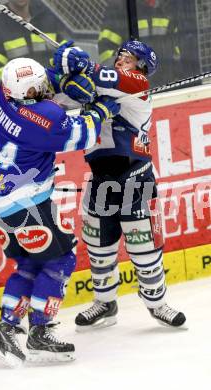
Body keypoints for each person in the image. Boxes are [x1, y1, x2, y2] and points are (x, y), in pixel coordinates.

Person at [0, 56, 120, 367]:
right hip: (25, 202)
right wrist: (102, 109)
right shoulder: (41, 117)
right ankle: (40, 332)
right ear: (30, 94)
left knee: (30, 263)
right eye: (40, 86)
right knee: (61, 258)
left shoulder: (6, 95)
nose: (45, 88)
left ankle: (5, 328)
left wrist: (64, 74)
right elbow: (81, 134)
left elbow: (43, 90)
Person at [53, 39, 186, 331]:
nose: (120, 59)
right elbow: (59, 99)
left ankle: (157, 303)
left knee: (145, 250)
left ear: (141, 67)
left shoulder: (136, 86)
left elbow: (104, 77)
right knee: (99, 249)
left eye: (128, 57)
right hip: (100, 182)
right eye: (120, 55)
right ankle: (105, 303)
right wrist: (61, 76)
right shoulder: (99, 88)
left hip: (136, 181)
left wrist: (85, 65)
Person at [0, 0, 69, 99]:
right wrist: (29, 81)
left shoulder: (50, 20)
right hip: (21, 105)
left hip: (57, 101)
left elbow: (68, 55)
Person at [98, 0, 183, 86]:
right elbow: (106, 53)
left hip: (166, 87)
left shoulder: (167, 8)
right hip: (131, 90)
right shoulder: (120, 10)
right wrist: (125, 74)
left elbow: (176, 48)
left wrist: (177, 76)